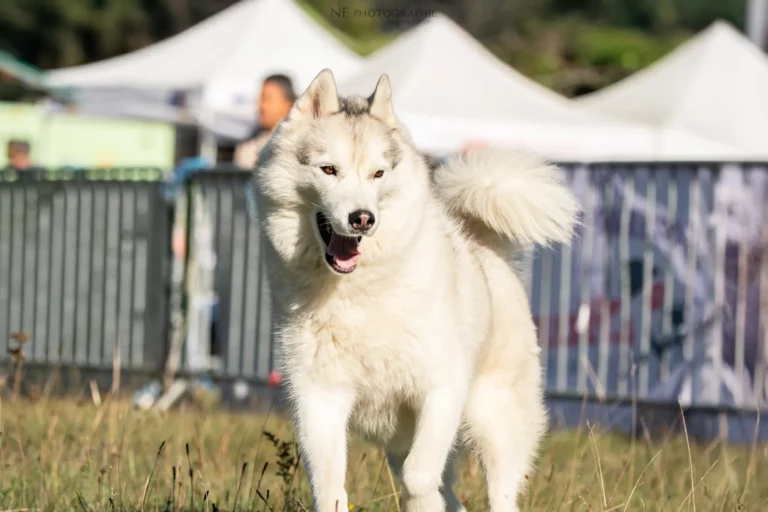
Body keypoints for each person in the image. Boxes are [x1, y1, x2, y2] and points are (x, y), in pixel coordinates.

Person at [233, 74, 296, 169]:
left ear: (289, 104)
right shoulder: (249, 147)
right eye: (260, 99)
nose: (261, 106)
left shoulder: (301, 145)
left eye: (267, 99)